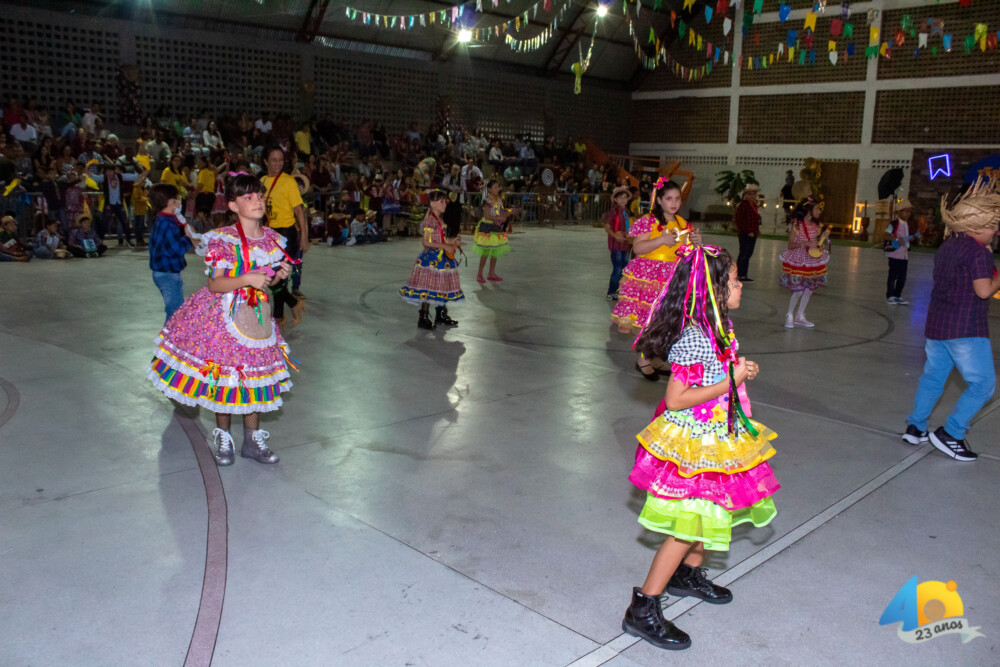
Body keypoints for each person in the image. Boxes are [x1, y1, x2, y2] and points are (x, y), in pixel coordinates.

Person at [622, 245, 776, 651]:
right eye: (735, 281)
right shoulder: (694, 337)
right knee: (687, 526)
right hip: (694, 444)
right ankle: (643, 608)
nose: (741, 286)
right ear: (714, 290)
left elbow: (720, 373)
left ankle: (686, 575)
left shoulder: (719, 327)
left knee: (713, 514)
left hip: (718, 437)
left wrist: (740, 371)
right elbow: (675, 399)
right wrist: (730, 381)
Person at [148, 174, 296, 467]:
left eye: (259, 195)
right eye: (248, 197)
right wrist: (246, 279)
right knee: (226, 378)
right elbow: (215, 284)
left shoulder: (272, 239)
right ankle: (224, 438)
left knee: (254, 376)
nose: (257, 201)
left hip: (256, 318)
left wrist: (279, 277)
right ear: (233, 205)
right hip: (224, 316)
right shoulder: (224, 238)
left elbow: (269, 281)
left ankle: (252, 439)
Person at [902, 177, 1000, 462]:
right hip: (966, 329)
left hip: (937, 326)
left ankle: (915, 427)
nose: (996, 231)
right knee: (983, 385)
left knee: (933, 378)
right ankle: (952, 433)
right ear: (975, 225)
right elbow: (984, 291)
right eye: (992, 225)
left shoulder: (948, 246)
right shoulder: (978, 253)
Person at [611, 178, 702, 380]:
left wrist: (695, 243)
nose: (674, 203)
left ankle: (656, 357)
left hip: (673, 278)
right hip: (648, 278)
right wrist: (661, 240)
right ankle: (644, 359)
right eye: (669, 198)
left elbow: (686, 252)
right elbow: (637, 248)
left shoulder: (683, 224)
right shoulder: (649, 221)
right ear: (659, 200)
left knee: (668, 322)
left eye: (677, 198)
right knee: (650, 321)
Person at [399, 189, 464, 330]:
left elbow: (440, 239)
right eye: (441, 201)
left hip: (441, 257)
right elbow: (425, 242)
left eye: (445, 201)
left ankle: (440, 314)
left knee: (441, 285)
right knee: (428, 288)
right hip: (432, 259)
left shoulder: (439, 219)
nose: (444, 204)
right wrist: (445, 246)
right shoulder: (430, 221)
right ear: (432, 203)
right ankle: (423, 317)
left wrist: (452, 242)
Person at [260, 146, 307, 327]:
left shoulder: (288, 181)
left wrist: (304, 237)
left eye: (281, 160)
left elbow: (299, 210)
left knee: (277, 275)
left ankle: (279, 317)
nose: (278, 163)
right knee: (272, 276)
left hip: (286, 234)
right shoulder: (262, 181)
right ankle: (293, 304)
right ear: (266, 161)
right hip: (268, 233)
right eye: (274, 160)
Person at [147, 184, 201, 321]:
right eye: (178, 199)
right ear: (171, 202)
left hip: (164, 271)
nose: (180, 202)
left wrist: (185, 231)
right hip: (167, 274)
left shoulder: (164, 219)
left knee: (176, 310)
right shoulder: (167, 223)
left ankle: (171, 333)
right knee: (175, 312)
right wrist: (189, 239)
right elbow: (175, 249)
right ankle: (170, 334)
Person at [779, 196, 829, 328]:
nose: (819, 211)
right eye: (817, 209)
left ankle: (800, 315)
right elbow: (790, 245)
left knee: (809, 289)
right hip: (799, 259)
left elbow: (816, 242)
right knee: (798, 290)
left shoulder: (816, 226)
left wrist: (819, 246)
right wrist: (805, 243)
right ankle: (789, 315)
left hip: (812, 259)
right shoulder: (797, 225)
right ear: (808, 210)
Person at [474, 179, 516, 283]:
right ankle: (480, 274)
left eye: (498, 187)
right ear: (489, 189)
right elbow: (487, 216)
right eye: (495, 187)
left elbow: (501, 212)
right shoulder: (487, 201)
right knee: (485, 252)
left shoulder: (499, 200)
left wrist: (509, 212)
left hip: (496, 227)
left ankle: (491, 272)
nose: (498, 189)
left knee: (495, 251)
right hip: (488, 227)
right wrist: (497, 218)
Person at [604, 185, 632, 300]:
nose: (623, 200)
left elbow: (628, 227)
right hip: (616, 245)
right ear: (615, 199)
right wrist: (615, 235)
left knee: (624, 267)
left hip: (625, 244)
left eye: (625, 197)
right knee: (617, 268)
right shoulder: (613, 212)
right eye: (620, 198)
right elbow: (607, 227)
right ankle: (611, 291)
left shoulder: (626, 212)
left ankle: (619, 290)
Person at [885, 199, 914, 305]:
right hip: (895, 255)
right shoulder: (893, 224)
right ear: (899, 212)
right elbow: (886, 235)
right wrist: (897, 239)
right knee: (893, 276)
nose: (908, 214)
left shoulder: (907, 224)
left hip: (904, 256)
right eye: (906, 211)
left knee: (902, 277)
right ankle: (890, 296)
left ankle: (898, 295)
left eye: (909, 212)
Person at [734, 183, 761, 281]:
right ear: (746, 195)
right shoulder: (743, 205)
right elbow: (740, 220)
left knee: (747, 254)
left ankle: (742, 273)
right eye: (750, 194)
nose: (752, 196)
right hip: (746, 234)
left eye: (754, 194)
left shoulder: (753, 205)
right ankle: (740, 274)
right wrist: (748, 231)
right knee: (744, 254)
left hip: (753, 233)